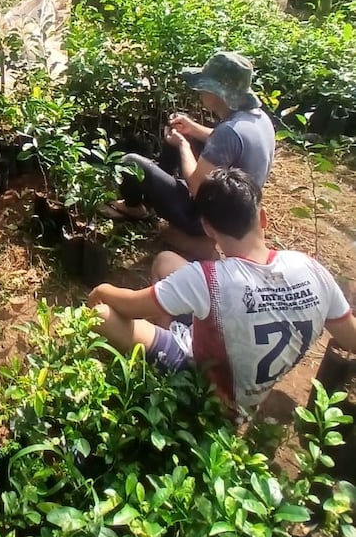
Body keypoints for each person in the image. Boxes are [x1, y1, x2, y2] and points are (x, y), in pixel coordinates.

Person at [87, 168, 356, 414]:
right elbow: (351, 338)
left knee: (102, 314)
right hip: (250, 392)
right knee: (167, 261)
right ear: (263, 218)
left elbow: (130, 306)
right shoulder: (312, 269)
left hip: (209, 388)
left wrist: (102, 289)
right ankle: (166, 342)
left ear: (207, 228)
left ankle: (166, 374)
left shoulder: (208, 278)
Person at [106, 50, 275, 251]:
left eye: (205, 87)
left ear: (217, 93)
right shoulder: (257, 119)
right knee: (185, 139)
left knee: (130, 162)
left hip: (208, 220)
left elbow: (197, 188)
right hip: (238, 215)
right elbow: (226, 142)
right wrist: (191, 129)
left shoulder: (227, 133)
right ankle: (159, 192)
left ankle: (135, 208)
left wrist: (183, 145)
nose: (200, 91)